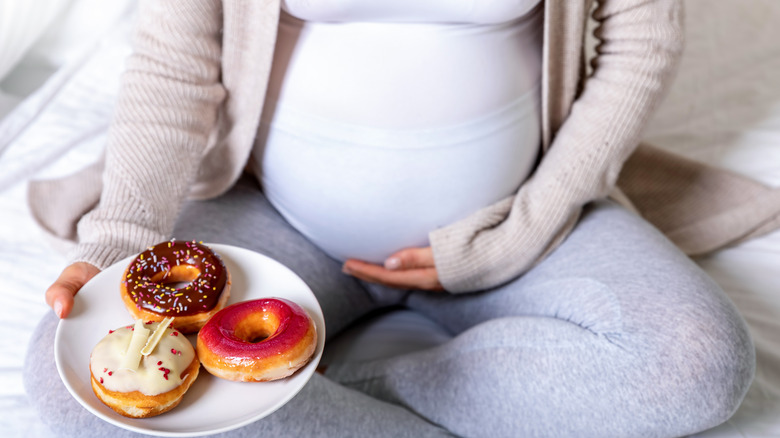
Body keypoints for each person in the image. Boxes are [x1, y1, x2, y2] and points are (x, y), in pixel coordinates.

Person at [24, 0, 756, 437]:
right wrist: (122, 243)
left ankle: (379, 388)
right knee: (73, 393)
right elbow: (175, 65)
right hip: (283, 218)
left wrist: (524, 230)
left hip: (520, 220)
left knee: (697, 366)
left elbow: (641, 43)